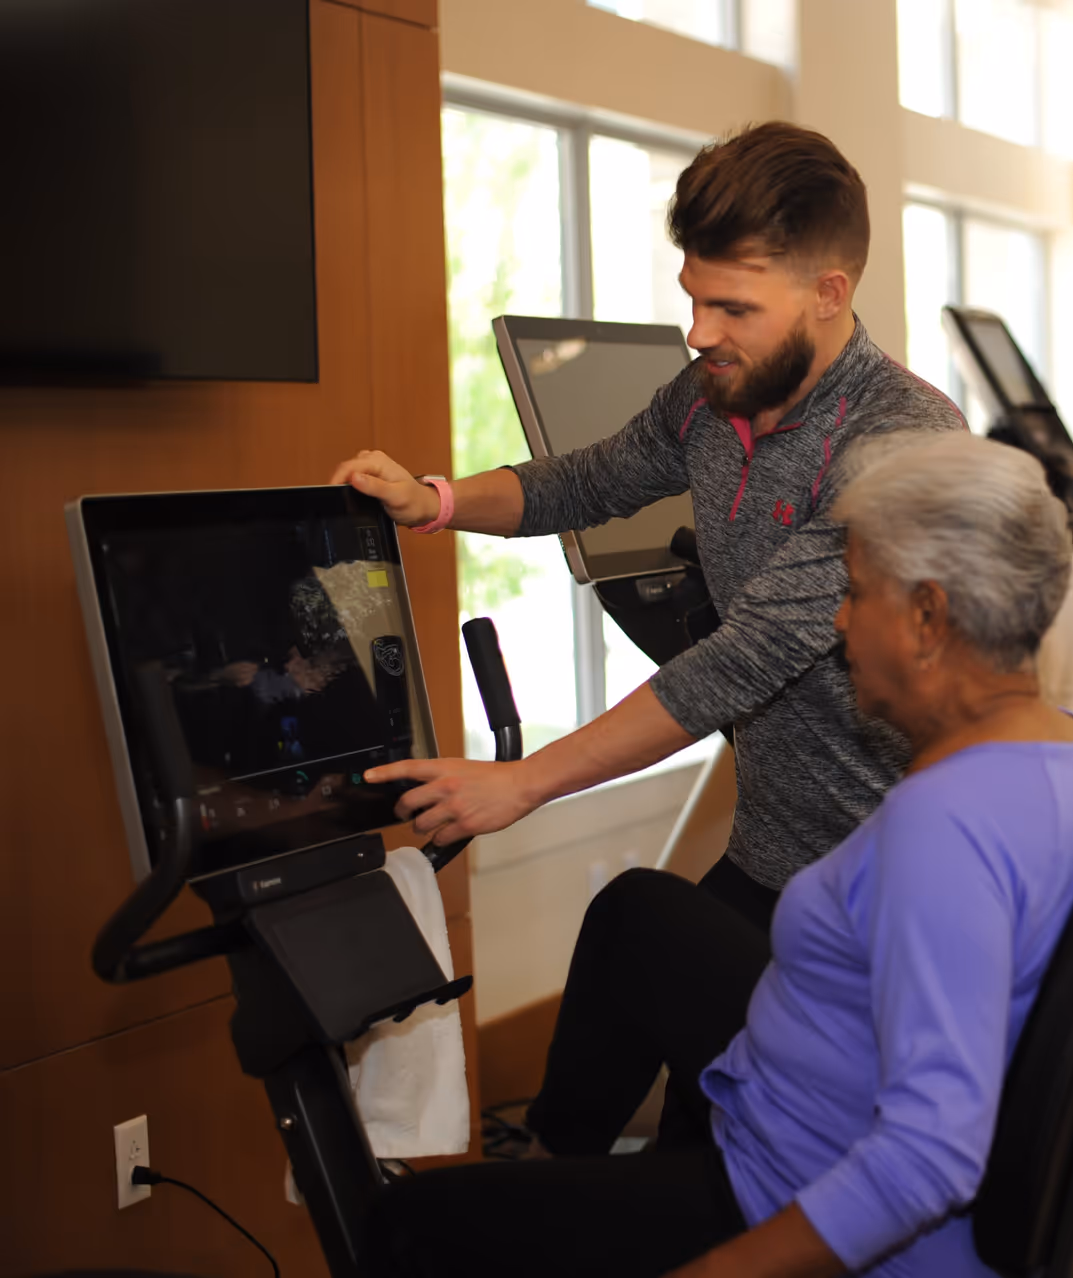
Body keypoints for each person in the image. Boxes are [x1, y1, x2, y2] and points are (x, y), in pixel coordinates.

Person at [329, 122, 964, 1155]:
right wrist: (433, 500)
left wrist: (523, 783)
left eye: (732, 307)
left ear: (829, 293)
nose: (699, 332)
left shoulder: (900, 444)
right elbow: (589, 478)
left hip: (882, 899)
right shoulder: (718, 395)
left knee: (705, 1117)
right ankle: (547, 1189)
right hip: (771, 858)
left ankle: (556, 1200)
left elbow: (741, 659)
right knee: (663, 1047)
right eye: (693, 298)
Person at [364, 432, 1073, 1278]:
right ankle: (555, 1179)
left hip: (790, 1180)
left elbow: (928, 1159)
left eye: (856, 593)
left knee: (406, 1226)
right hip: (808, 1089)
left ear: (927, 617)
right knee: (639, 914)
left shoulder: (942, 830)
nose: (837, 622)